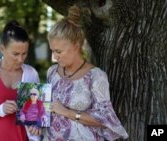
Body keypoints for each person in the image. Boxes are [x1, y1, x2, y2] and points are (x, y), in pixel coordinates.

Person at [43, 5, 128, 141]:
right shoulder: (52, 72)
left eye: (59, 52)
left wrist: (66, 112)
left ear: (76, 46)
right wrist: (34, 123)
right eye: (53, 50)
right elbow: (45, 108)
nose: (54, 57)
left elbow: (104, 119)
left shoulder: (95, 76)